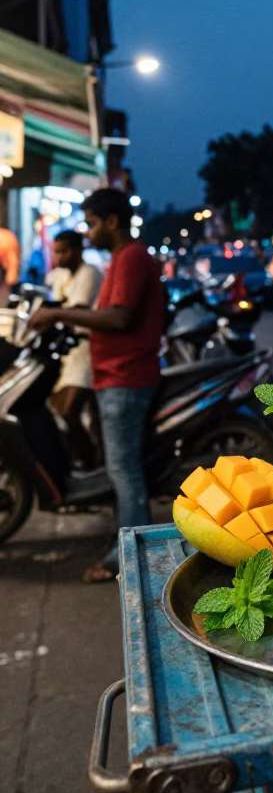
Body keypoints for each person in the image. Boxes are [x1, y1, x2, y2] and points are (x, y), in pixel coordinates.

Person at [31, 188, 165, 582]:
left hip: (126, 377)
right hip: (115, 375)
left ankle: (130, 559)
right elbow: (106, 313)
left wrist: (60, 315)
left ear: (112, 222)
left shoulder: (130, 258)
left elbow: (119, 319)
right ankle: (126, 547)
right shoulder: (121, 260)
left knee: (124, 470)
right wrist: (66, 313)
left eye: (91, 224)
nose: (86, 234)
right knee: (119, 467)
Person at [45, 229, 104, 469]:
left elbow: (76, 309)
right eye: (57, 251)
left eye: (64, 251)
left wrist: (53, 313)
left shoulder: (90, 273)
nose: (60, 257)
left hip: (86, 350)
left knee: (69, 410)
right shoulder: (58, 275)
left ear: (78, 250)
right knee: (56, 408)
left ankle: (90, 462)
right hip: (65, 350)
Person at [0, 225, 20, 306]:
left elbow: (13, 263)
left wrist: (10, 282)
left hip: (5, 278)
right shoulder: (7, 236)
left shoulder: (6, 237)